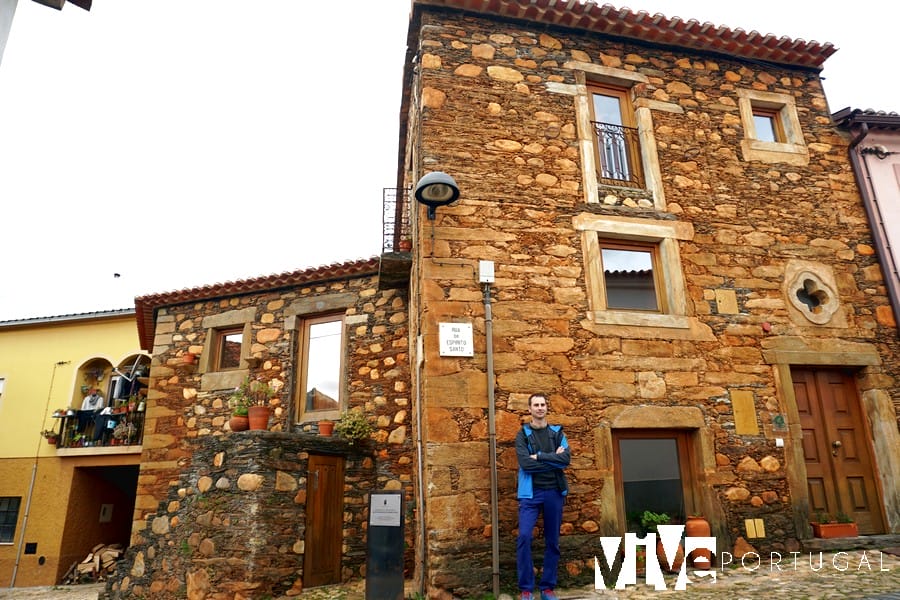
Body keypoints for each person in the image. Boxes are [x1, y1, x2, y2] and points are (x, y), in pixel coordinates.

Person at [515, 393, 570, 600]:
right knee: (524, 537)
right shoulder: (523, 434)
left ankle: (547, 587)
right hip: (530, 494)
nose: (539, 408)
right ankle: (526, 589)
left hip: (554, 492)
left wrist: (539, 456)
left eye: (543, 404)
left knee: (552, 541)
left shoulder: (557, 432)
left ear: (547, 408)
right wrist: (553, 458)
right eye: (536, 405)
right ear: (529, 409)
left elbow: (565, 460)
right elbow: (525, 463)